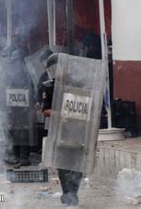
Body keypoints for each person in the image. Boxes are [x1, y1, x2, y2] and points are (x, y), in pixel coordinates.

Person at [41, 53, 82, 206]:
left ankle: (74, 192)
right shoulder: (49, 87)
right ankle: (67, 192)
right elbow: (45, 110)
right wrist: (59, 113)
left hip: (76, 129)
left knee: (77, 163)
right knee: (63, 162)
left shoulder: (76, 84)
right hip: (59, 129)